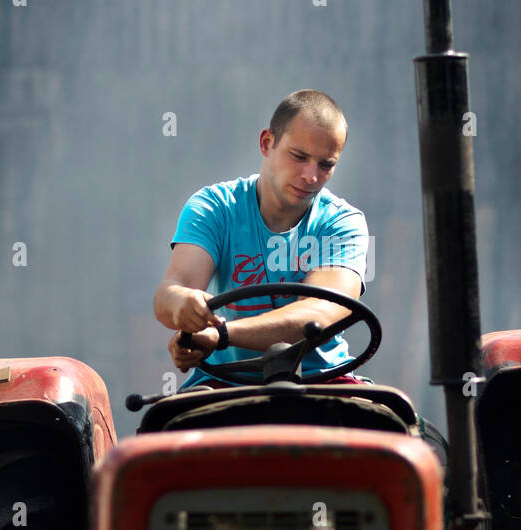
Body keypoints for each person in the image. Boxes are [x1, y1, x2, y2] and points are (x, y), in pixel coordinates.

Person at [152, 89, 369, 390]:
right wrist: (183, 304)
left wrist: (220, 334)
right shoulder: (214, 208)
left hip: (323, 382)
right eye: (299, 157)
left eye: (325, 164)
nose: (311, 176)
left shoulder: (343, 223)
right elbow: (168, 294)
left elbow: (318, 314)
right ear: (267, 143)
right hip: (223, 382)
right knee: (161, 428)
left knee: (398, 425)